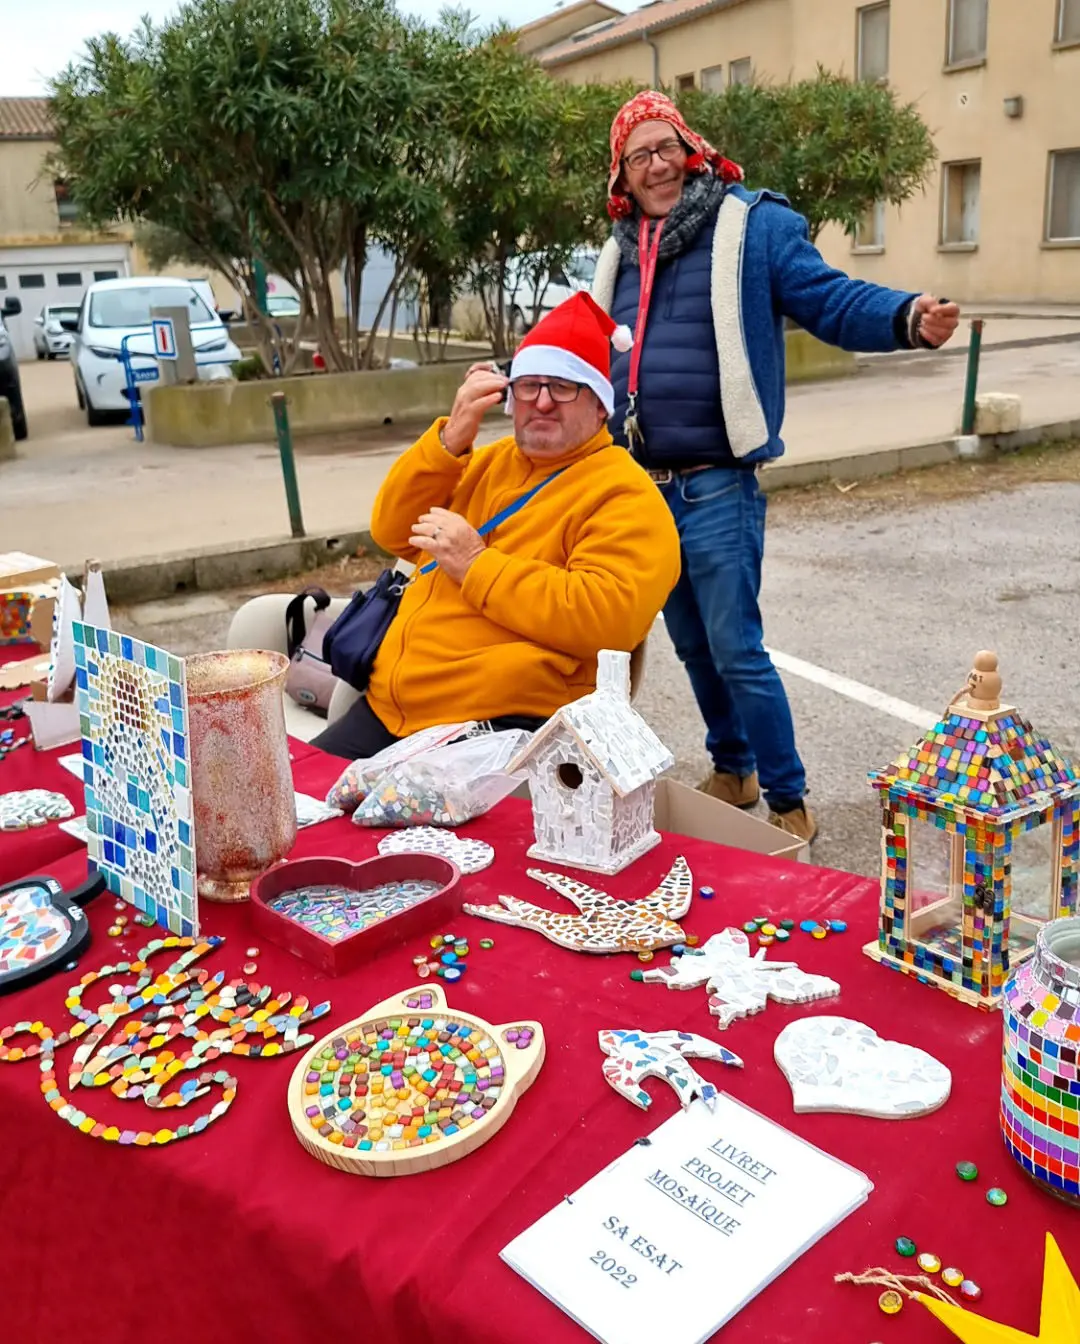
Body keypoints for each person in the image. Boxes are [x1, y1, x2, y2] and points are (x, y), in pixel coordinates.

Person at [592, 91, 960, 843]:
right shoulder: (618, 253)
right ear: (622, 176)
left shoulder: (750, 224)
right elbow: (587, 350)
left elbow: (827, 297)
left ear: (691, 150)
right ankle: (734, 768)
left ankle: (789, 800)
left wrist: (905, 318)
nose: (656, 164)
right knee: (691, 645)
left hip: (718, 482)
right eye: (639, 155)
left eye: (666, 147)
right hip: (644, 489)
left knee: (736, 646)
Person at [312, 292, 681, 760]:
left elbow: (608, 619)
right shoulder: (484, 462)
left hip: (502, 725)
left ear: (600, 407)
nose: (542, 402)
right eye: (530, 385)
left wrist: (477, 565)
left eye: (564, 387)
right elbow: (393, 531)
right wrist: (447, 443)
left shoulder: (625, 494)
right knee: (295, 803)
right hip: (393, 710)